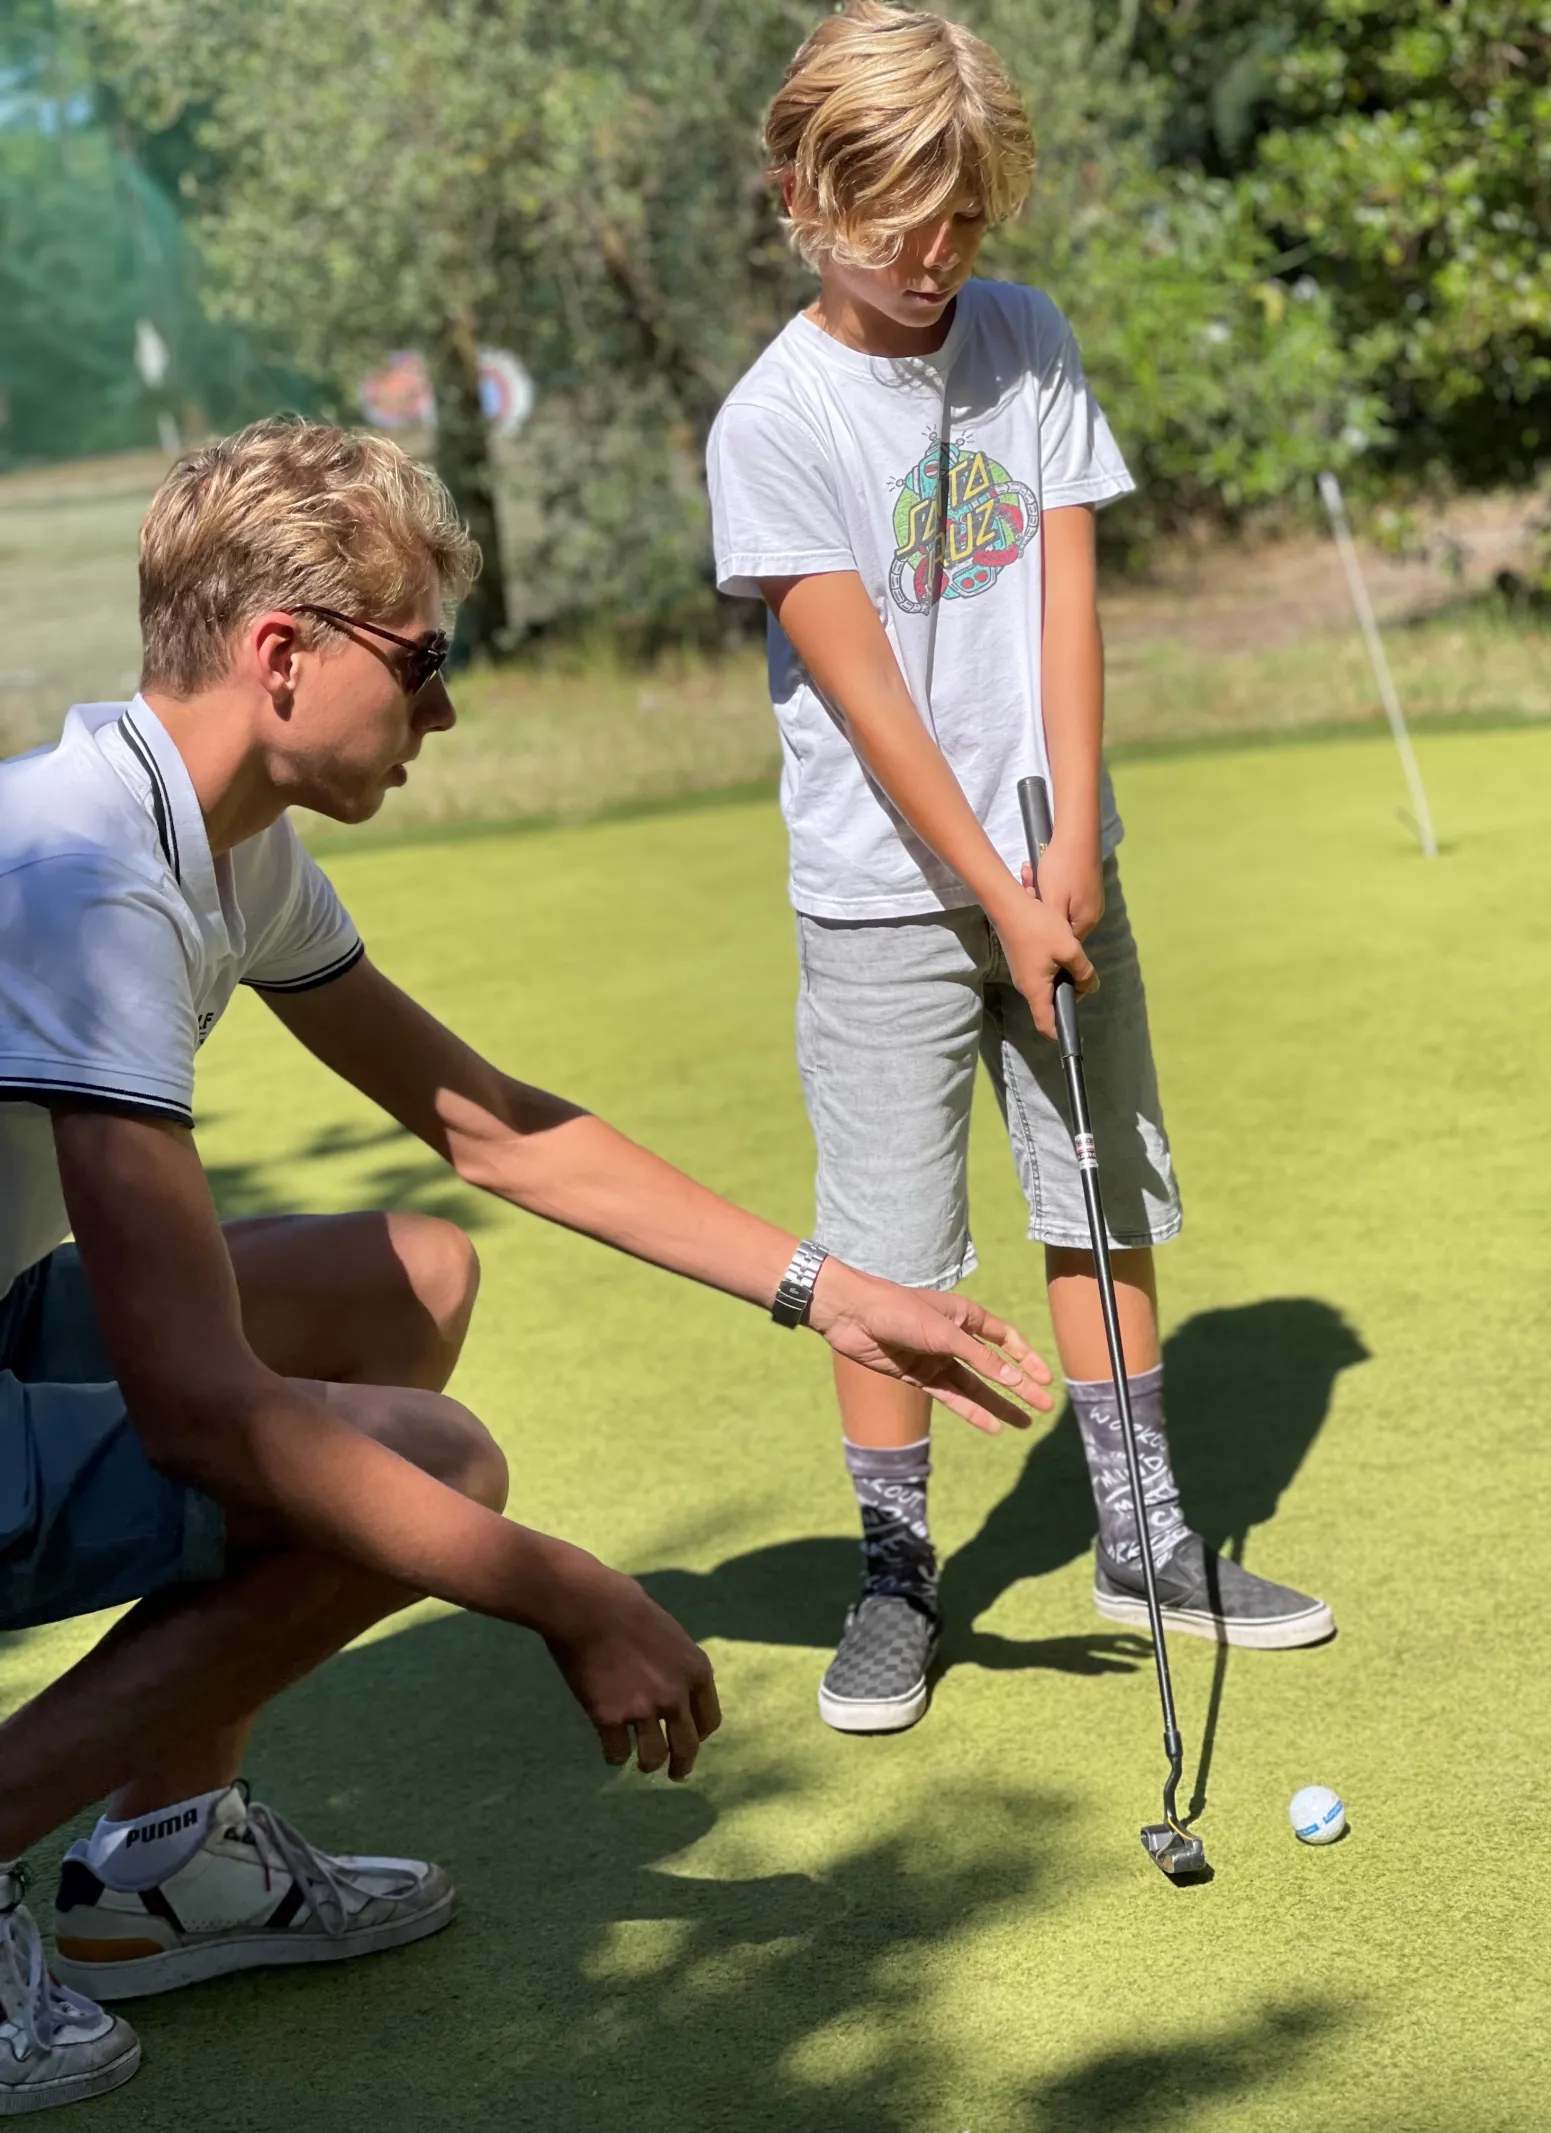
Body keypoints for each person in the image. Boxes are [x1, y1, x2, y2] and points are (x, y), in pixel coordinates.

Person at [0, 416, 1057, 2113]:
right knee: (435, 1466)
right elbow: (198, 1405)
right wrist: (561, 1587)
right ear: (282, 654)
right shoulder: (86, 883)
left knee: (410, 1279)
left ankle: (167, 1864)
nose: (444, 711)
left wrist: (840, 1295)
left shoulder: (219, 844)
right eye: (422, 661)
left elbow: (494, 1130)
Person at [705, 0, 1335, 1740]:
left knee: (1098, 1193)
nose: (938, 257)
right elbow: (871, 698)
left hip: (1060, 869)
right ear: (802, 195)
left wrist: (1070, 847)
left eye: (966, 219)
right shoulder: (774, 420)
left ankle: (1144, 1537)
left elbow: (1065, 600)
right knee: (889, 1251)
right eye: (900, 220)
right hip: (886, 893)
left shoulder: (1027, 338)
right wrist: (998, 885)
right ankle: (896, 1577)